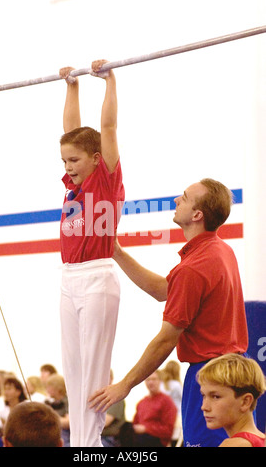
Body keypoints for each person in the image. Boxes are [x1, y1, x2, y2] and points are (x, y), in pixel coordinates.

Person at [89, 179, 248, 447]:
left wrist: (125, 385)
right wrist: (116, 252)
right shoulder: (220, 250)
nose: (176, 200)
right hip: (231, 372)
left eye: (184, 197)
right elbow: (165, 289)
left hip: (211, 375)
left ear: (197, 215)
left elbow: (166, 339)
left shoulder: (194, 267)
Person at [58, 60, 125, 447]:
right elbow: (71, 132)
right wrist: (72, 86)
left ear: (97, 158)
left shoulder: (106, 176)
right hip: (68, 277)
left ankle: (89, 445)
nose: (68, 168)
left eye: (75, 160)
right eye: (64, 162)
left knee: (94, 371)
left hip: (98, 274)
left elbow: (108, 129)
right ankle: (85, 444)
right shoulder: (74, 185)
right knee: (73, 370)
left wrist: (109, 81)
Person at [197, 353, 266, 447]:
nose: (204, 407)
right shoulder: (261, 439)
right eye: (203, 395)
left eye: (216, 397)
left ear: (245, 402)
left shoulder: (234, 444)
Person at [119, 371, 177, 447]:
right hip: (140, 437)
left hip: (157, 439)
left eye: (154, 379)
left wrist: (146, 429)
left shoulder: (167, 402)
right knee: (125, 428)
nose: (151, 382)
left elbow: (168, 430)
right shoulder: (141, 403)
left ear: (160, 381)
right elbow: (135, 423)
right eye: (148, 380)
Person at [160, 360, 183, 446]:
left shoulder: (162, 385)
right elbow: (183, 398)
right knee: (176, 440)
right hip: (177, 415)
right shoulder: (176, 385)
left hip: (165, 416)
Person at [101, 370, 126, 447]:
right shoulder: (98, 397)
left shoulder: (117, 398)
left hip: (109, 439)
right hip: (96, 437)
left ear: (111, 379)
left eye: (105, 377)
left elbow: (105, 422)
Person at [45, 374, 70, 447]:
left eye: (49, 386)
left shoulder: (67, 402)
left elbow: (68, 422)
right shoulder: (50, 402)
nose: (47, 389)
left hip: (65, 434)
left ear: (57, 388)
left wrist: (52, 420)